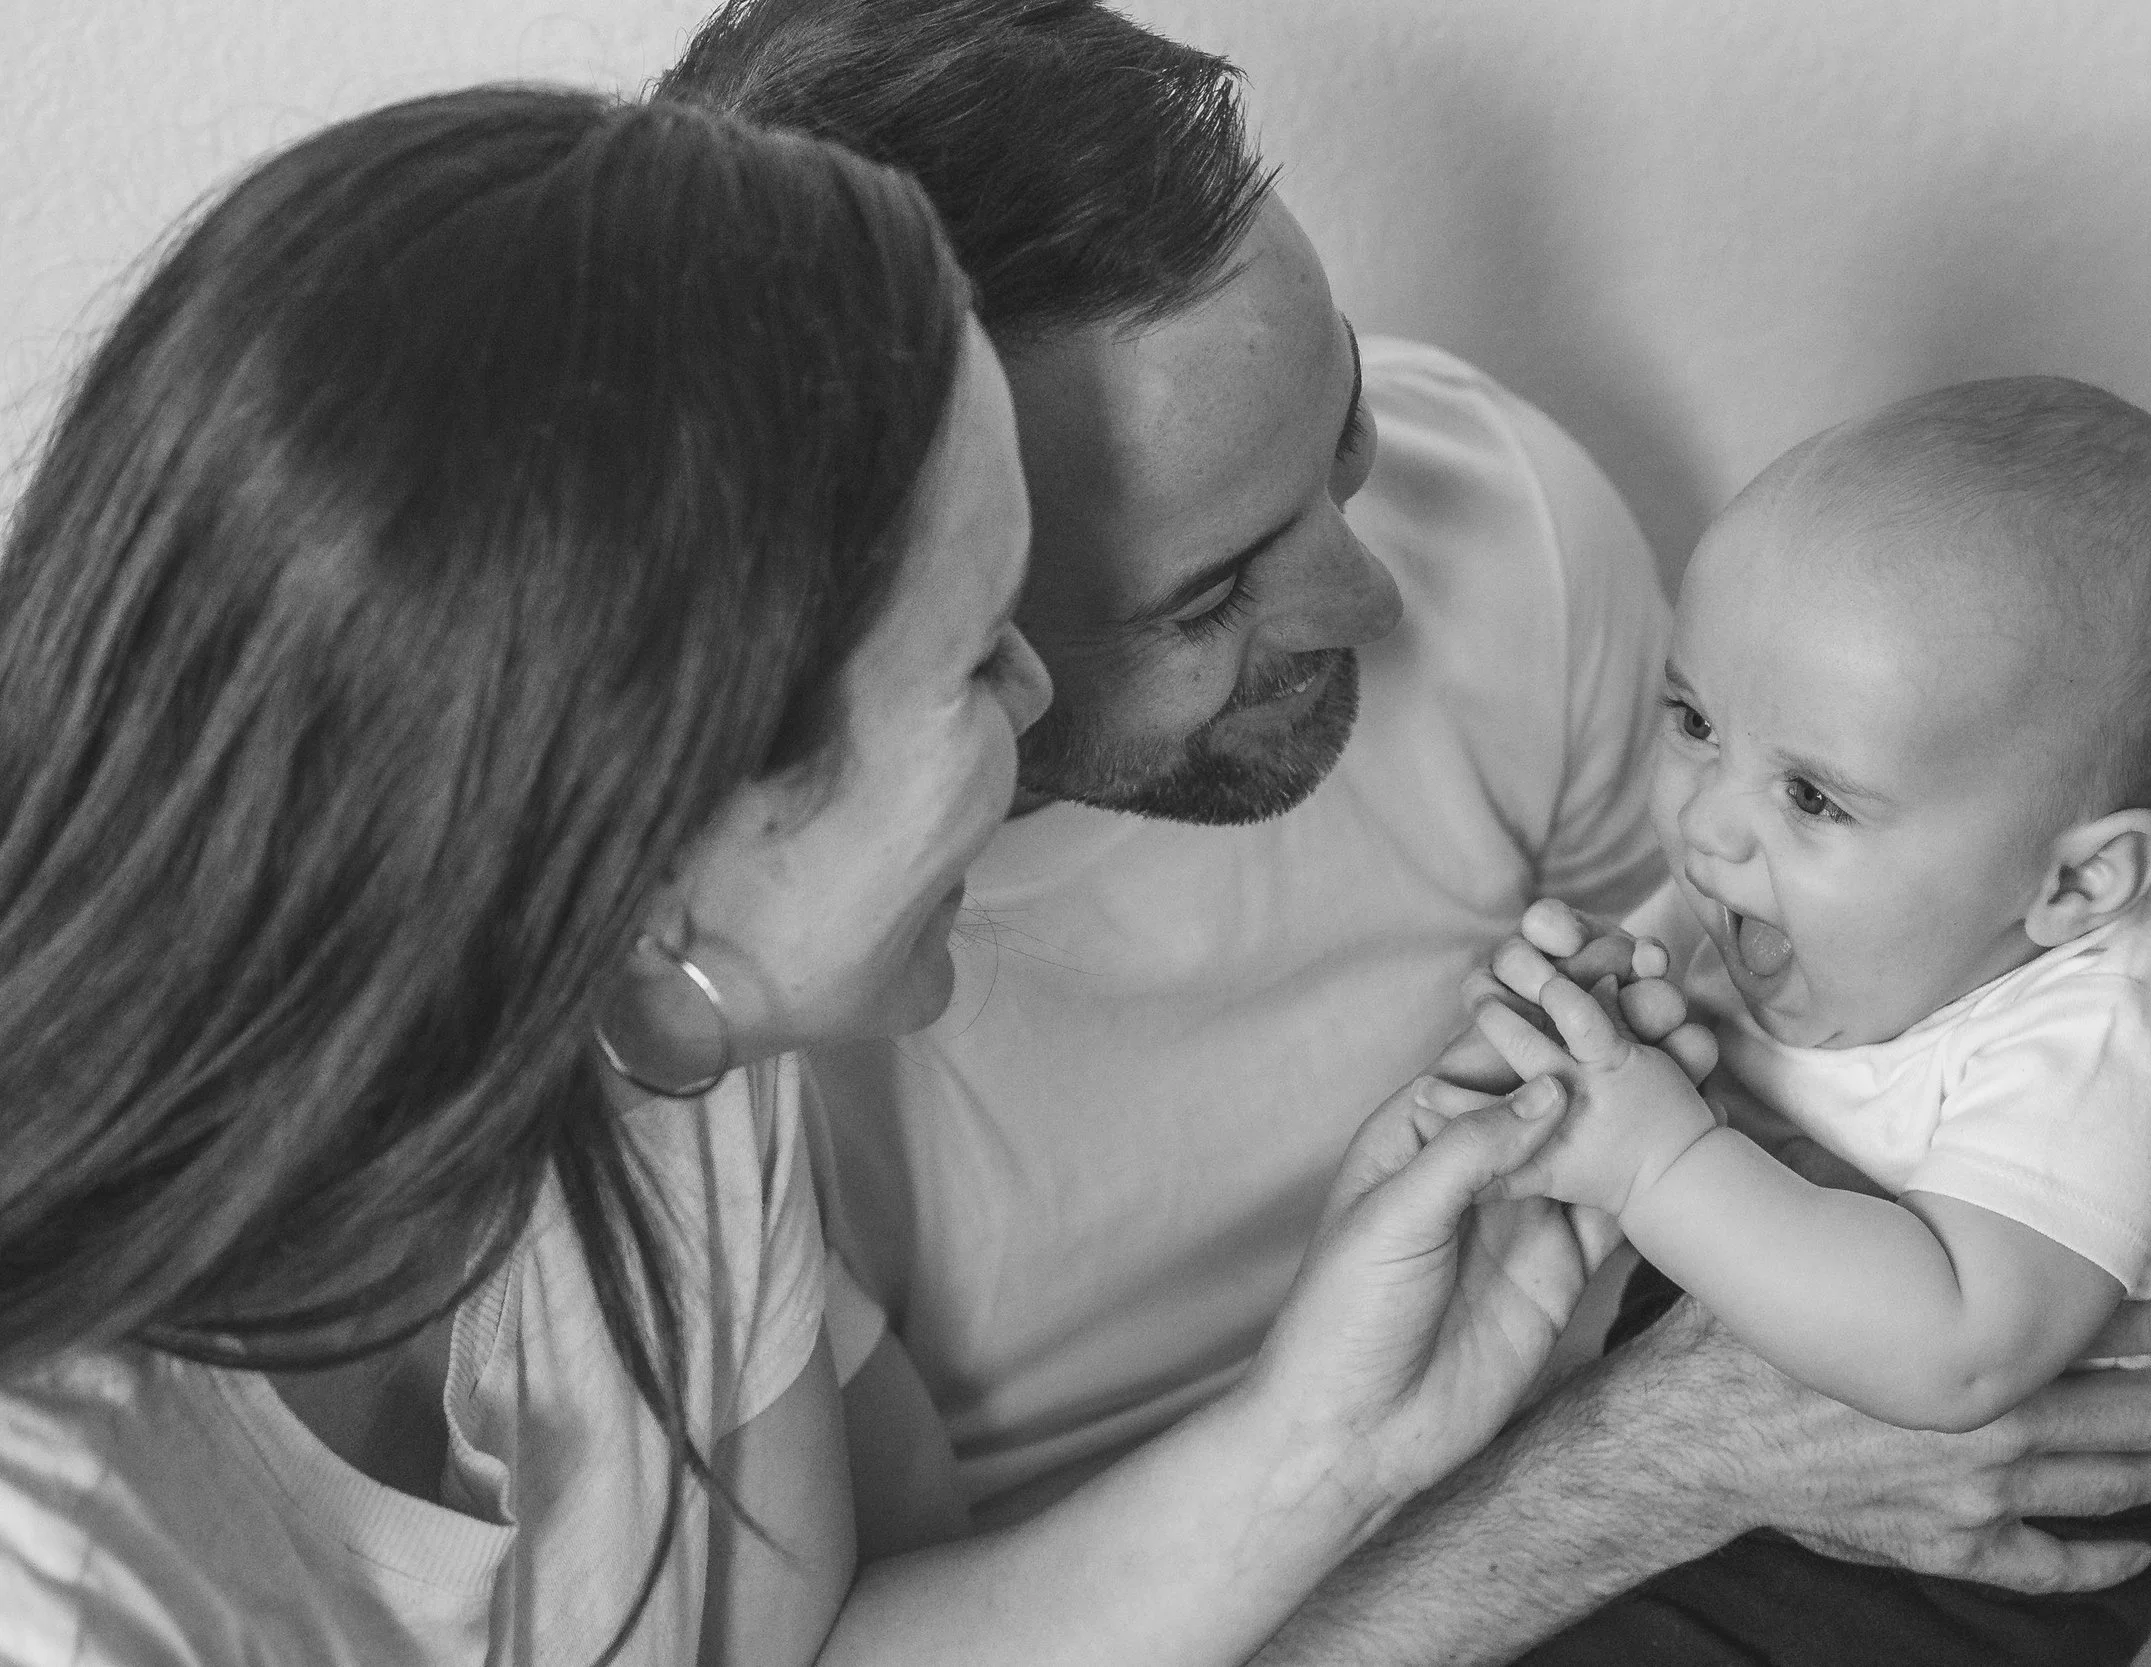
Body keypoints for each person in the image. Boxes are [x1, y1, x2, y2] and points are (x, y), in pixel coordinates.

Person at [658, 5, 2151, 1664]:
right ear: (930, 612)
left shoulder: (1499, 511)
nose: (1371, 595)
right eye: (1207, 597)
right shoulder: (742, 986)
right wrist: (1636, 1468)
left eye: (1341, 431)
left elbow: (1821, 1025)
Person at [0, 86, 1599, 1666]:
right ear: (649, 824)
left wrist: (1333, 1436)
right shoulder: (65, 1585)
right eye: (979, 658)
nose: (1038, 703)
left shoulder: (659, 1043)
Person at [1452, 374, 2151, 1646]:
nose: (1708, 823)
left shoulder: (2101, 1040)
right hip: (1721, 1366)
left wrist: (1654, 1157)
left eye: (1813, 797)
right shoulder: (1764, 882)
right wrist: (1594, 1012)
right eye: (1695, 720)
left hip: (1957, 1545)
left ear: (2074, 883)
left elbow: (1959, 1352)